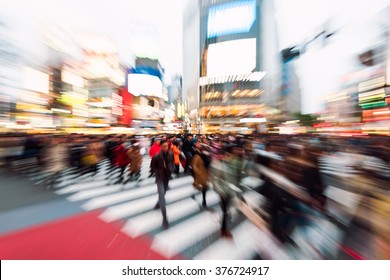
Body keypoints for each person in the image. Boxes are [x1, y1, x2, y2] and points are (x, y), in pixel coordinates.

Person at [151, 140, 174, 229]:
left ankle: (158, 204)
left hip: (167, 178)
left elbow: (171, 163)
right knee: (161, 195)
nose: (165, 148)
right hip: (160, 178)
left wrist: (171, 169)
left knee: (163, 193)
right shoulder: (156, 156)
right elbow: (153, 167)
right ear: (161, 147)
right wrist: (158, 172)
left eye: (167, 146)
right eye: (164, 146)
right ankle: (165, 218)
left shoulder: (170, 154)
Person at [192, 143, 211, 208]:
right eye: (198, 145)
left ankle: (204, 200)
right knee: (196, 183)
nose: (199, 146)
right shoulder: (196, 155)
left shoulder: (205, 154)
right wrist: (198, 172)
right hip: (199, 173)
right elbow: (194, 165)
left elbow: (208, 163)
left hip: (205, 173)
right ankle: (194, 192)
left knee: (204, 187)